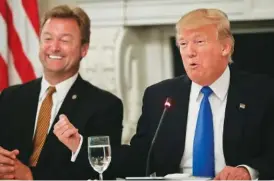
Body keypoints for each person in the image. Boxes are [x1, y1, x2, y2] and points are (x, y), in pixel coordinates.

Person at [115, 8, 274, 180]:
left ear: (225, 47)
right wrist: (87, 152)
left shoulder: (262, 92)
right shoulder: (159, 95)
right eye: (183, 44)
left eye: (199, 42)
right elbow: (140, 157)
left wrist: (247, 171)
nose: (189, 52)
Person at [0, 5, 123, 180]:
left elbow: (101, 171)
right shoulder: (10, 97)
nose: (54, 47)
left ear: (84, 49)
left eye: (64, 40)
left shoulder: (105, 106)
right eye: (48, 38)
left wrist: (31, 176)